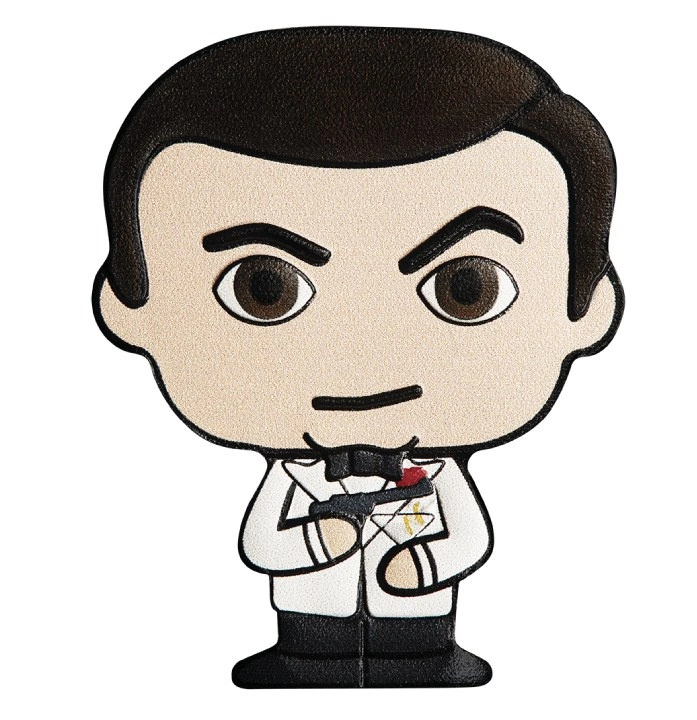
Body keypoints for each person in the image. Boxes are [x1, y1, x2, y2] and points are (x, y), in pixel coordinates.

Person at [94, 27, 623, 688]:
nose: (363, 367)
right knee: (313, 630)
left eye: (466, 288)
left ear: (586, 309)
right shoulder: (297, 476)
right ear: (130, 309)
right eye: (264, 289)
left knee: (416, 640)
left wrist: (423, 568)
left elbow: (468, 538)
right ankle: (308, 658)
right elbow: (263, 540)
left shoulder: (433, 474)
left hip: (419, 607)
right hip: (311, 603)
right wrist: (317, 544)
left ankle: (422, 658)